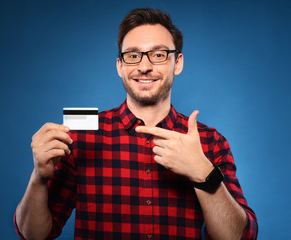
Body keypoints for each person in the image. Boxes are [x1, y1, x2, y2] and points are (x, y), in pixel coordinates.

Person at [14, 8, 258, 240]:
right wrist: (38, 178)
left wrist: (204, 174)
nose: (144, 66)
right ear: (120, 66)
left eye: (159, 54)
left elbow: (240, 237)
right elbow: (34, 235)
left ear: (178, 63)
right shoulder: (80, 135)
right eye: (133, 56)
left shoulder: (211, 141)